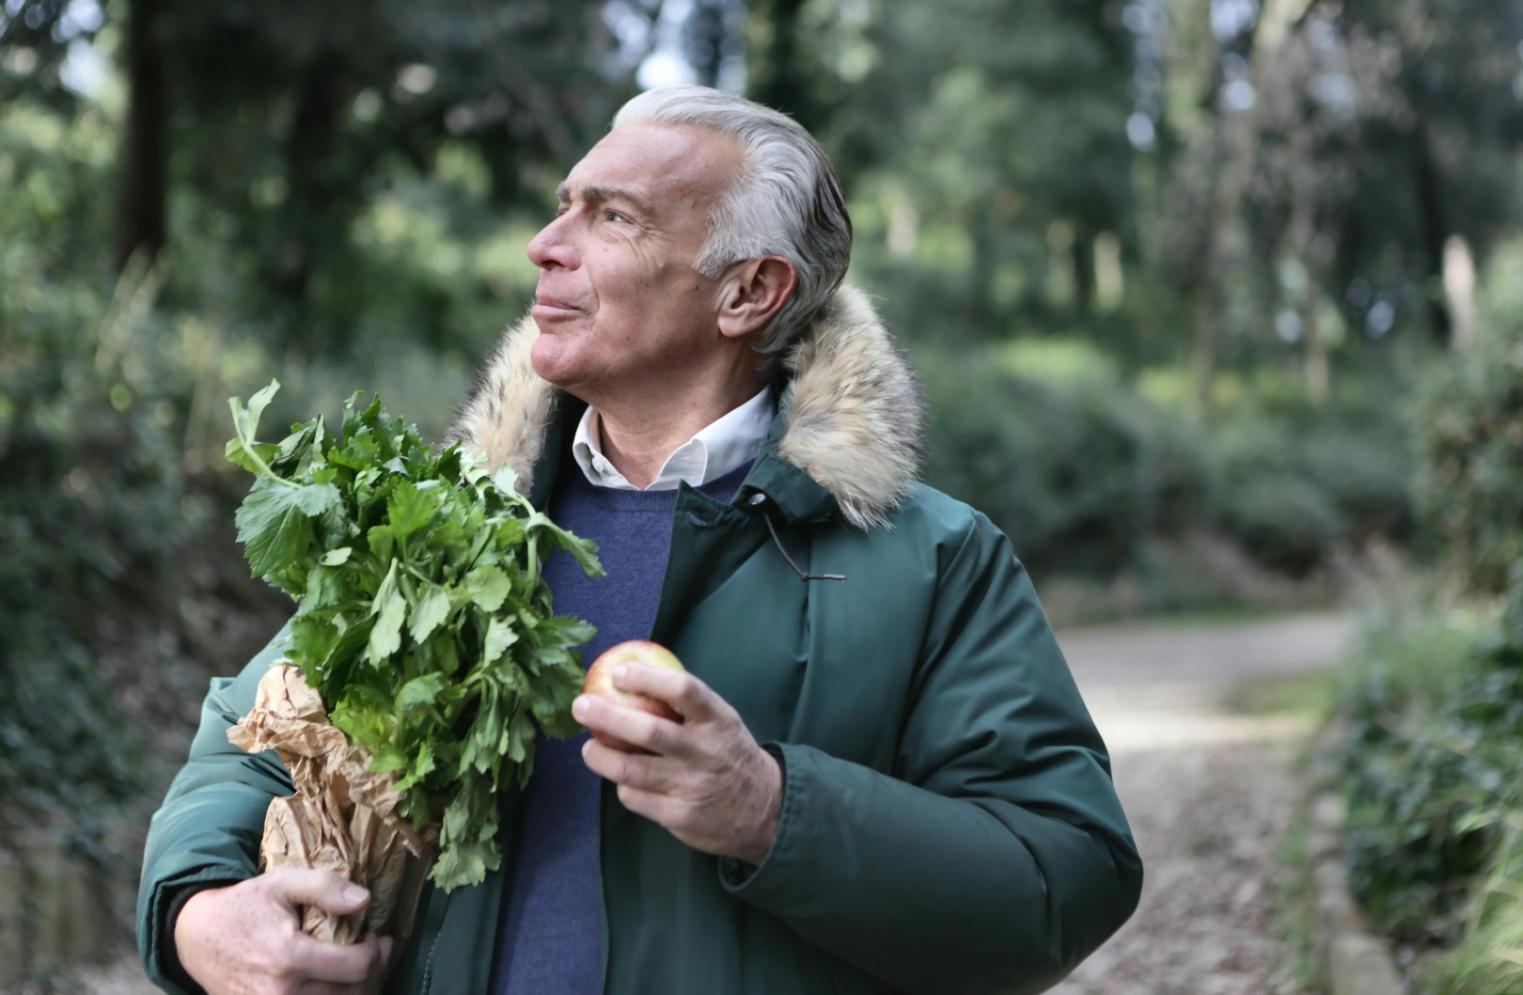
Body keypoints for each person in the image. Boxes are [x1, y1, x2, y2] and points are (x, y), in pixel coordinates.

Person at [138, 86, 1142, 995]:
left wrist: (770, 808)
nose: (544, 243)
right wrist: (197, 913)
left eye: (611, 217)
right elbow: (251, 742)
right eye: (564, 203)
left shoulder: (931, 561)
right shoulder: (439, 529)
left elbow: (1063, 874)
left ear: (748, 291)